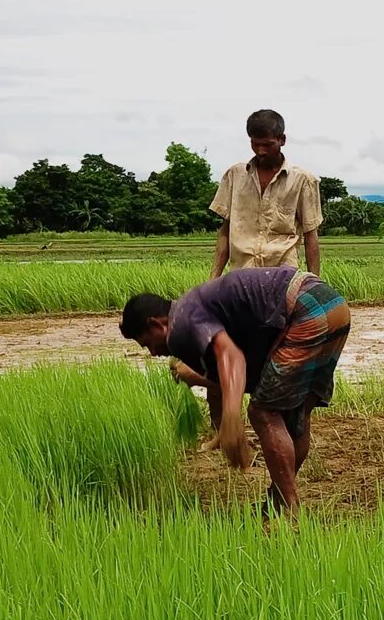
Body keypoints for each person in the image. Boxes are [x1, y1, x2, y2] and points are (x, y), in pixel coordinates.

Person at [120, 267, 351, 516]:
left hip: (305, 311)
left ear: (156, 323)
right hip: (331, 305)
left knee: (263, 412)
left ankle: (289, 510)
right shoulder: (196, 306)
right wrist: (198, 378)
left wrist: (231, 418)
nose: (153, 352)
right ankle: (278, 500)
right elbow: (248, 376)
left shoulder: (181, 321)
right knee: (294, 416)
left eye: (147, 343)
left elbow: (232, 357)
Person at [211, 108, 324, 276]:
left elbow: (310, 237)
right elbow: (225, 231)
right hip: (241, 276)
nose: (260, 151)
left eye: (267, 145)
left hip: (282, 277)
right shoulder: (234, 176)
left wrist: (314, 284)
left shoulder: (303, 181)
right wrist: (214, 278)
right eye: (255, 144)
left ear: (282, 140)